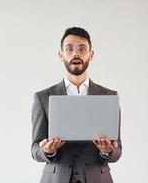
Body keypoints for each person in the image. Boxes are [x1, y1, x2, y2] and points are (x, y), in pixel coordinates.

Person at [31, 27, 122, 183]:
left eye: (82, 48)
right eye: (69, 49)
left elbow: (118, 149)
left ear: (91, 54)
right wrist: (47, 151)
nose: (76, 53)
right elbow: (35, 150)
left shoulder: (109, 97)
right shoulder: (43, 97)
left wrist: (107, 152)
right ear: (61, 55)